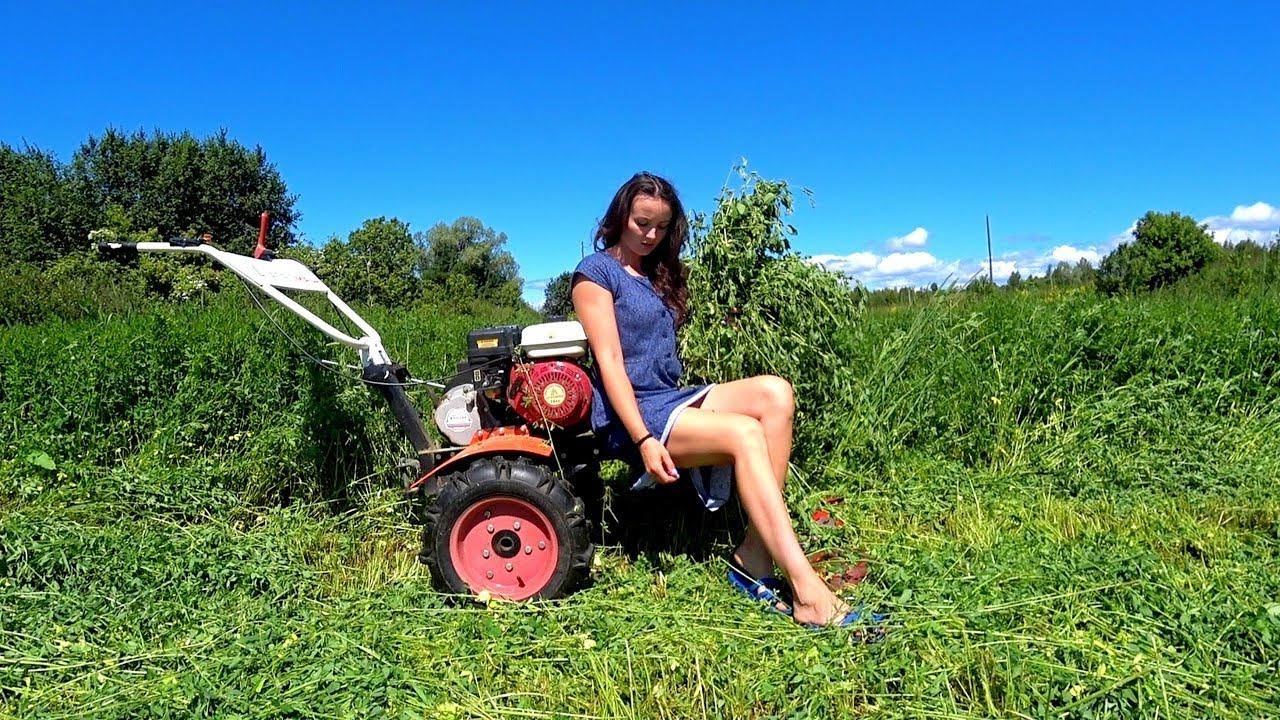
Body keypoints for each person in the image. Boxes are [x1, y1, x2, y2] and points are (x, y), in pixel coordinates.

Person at [571, 171, 857, 627]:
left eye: (661, 227)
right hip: (633, 413)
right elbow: (610, 364)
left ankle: (755, 553)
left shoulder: (655, 274)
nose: (651, 235)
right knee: (744, 433)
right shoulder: (595, 273)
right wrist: (644, 439)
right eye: (642, 222)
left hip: (668, 398)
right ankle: (808, 592)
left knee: (776, 393)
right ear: (621, 216)